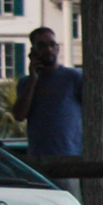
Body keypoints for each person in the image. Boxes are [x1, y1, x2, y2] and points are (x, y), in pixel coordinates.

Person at [14, 26, 83, 158]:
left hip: (70, 156)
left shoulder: (74, 78)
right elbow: (19, 115)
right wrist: (33, 80)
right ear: (33, 51)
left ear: (58, 48)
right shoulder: (25, 83)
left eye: (52, 45)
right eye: (42, 46)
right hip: (38, 158)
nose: (48, 50)